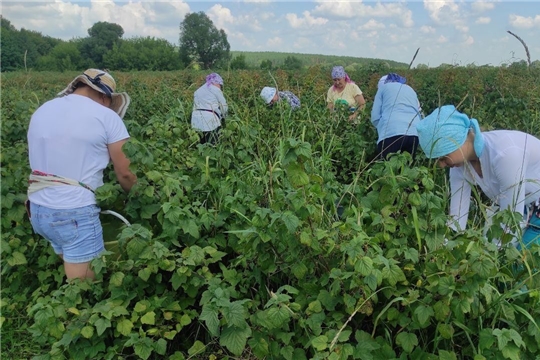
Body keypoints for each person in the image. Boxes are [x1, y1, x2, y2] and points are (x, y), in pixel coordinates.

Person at [26, 69, 137, 280]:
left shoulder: (44, 109)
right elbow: (125, 174)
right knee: (83, 291)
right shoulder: (106, 116)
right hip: (73, 212)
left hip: (39, 209)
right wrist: (137, 196)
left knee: (72, 270)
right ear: (105, 97)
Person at [416, 105, 540, 250]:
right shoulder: (459, 166)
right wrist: (445, 249)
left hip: (534, 203)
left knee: (522, 264)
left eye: (443, 158)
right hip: (518, 204)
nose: (442, 165)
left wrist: (489, 256)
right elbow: (457, 218)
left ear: (458, 141)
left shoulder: (504, 156)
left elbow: (511, 222)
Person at [371, 73, 422, 160]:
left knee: (387, 168)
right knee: (406, 168)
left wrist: (382, 128)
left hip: (390, 133)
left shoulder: (383, 89)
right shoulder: (410, 89)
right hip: (413, 133)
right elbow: (419, 111)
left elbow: (375, 117)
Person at [191, 73, 228, 145]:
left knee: (200, 145)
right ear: (217, 83)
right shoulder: (216, 89)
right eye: (220, 85)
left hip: (196, 121)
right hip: (210, 121)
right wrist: (224, 117)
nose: (220, 87)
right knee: (213, 144)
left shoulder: (198, 90)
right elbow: (224, 106)